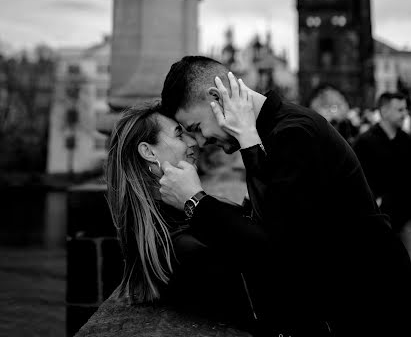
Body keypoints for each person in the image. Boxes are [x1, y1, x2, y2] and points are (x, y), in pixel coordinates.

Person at [159, 56, 411, 336]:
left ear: (217, 97)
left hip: (372, 304)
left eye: (196, 128)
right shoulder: (271, 130)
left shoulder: (293, 132)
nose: (202, 141)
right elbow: (260, 218)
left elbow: (276, 245)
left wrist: (195, 200)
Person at [105, 101, 280, 334]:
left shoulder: (172, 224)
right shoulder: (184, 247)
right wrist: (196, 200)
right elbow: (270, 256)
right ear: (148, 152)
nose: (193, 142)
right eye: (179, 136)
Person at [353, 92, 411, 234]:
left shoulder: (406, 140)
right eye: (400, 110)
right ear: (384, 111)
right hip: (377, 220)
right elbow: (357, 180)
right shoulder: (364, 142)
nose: (405, 114)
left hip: (405, 218)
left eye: (405, 109)